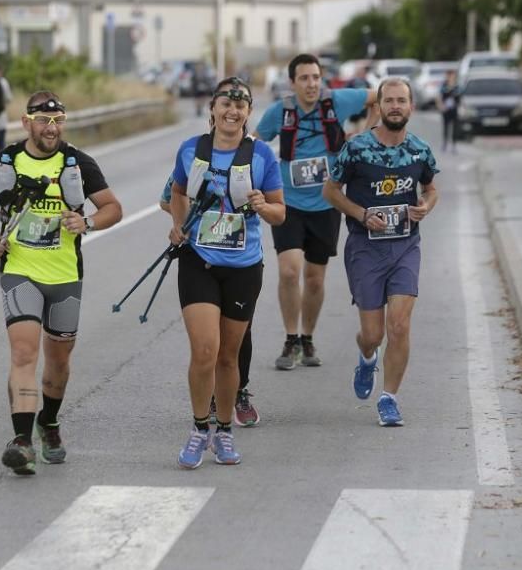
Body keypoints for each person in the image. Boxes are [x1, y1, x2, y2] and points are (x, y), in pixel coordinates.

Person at [0, 90, 123, 475]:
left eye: (58, 121)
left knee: (59, 359)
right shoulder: (6, 161)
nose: (52, 128)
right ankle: (21, 441)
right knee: (23, 353)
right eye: (44, 120)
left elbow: (113, 209)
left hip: (66, 275)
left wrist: (87, 222)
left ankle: (48, 422)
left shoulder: (78, 163)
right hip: (21, 271)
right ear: (26, 122)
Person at [167, 77, 285, 469]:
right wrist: (179, 225)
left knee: (228, 357)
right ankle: (199, 429)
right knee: (204, 351)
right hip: (198, 262)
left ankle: (224, 431)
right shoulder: (191, 150)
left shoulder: (262, 156)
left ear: (248, 113)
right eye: (226, 104)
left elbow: (279, 212)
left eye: (241, 105)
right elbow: (176, 194)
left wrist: (261, 206)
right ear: (212, 109)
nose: (233, 111)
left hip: (243, 267)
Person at [322, 77, 439, 427]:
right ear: (379, 106)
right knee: (373, 334)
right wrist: (361, 214)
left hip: (405, 246)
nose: (395, 106)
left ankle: (389, 399)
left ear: (411, 106)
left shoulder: (420, 150)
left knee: (399, 326)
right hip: (365, 248)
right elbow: (331, 191)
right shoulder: (357, 148)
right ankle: (367, 356)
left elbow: (431, 189)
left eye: (402, 100)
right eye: (389, 100)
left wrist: (425, 206)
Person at [254, 53, 378, 370]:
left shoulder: (336, 102)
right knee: (289, 271)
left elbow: (375, 96)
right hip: (288, 202)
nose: (311, 84)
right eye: (304, 78)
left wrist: (364, 136)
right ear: (292, 82)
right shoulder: (280, 112)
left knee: (314, 280)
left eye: (315, 77)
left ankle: (308, 338)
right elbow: (256, 140)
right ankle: (291, 338)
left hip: (326, 203)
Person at [160, 178, 260, 427]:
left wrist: (254, 206)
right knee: (207, 340)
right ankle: (212, 400)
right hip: (201, 258)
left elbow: (276, 206)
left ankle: (238, 392)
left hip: (242, 261)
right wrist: (187, 219)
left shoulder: (251, 160)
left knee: (237, 338)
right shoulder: (195, 157)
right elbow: (167, 200)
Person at [436, 70, 459, 153]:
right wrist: (441, 106)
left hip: (454, 109)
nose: (451, 77)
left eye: (453, 76)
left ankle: (454, 145)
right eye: (449, 76)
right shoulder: (443, 86)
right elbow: (439, 97)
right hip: (446, 109)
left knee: (455, 128)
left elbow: (460, 97)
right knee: (446, 127)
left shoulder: (457, 86)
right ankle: (445, 143)